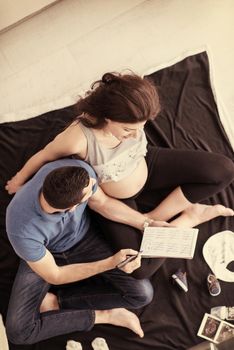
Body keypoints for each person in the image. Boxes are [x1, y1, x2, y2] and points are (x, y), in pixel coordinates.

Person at [5, 72, 234, 278]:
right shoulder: (78, 139)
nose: (135, 136)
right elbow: (44, 155)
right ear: (107, 118)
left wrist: (149, 221)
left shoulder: (131, 125)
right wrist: (19, 179)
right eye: (127, 130)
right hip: (117, 198)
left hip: (147, 165)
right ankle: (190, 218)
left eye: (141, 127)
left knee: (224, 170)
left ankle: (157, 215)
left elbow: (135, 129)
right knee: (140, 268)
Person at [5, 158, 155, 345]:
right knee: (19, 332)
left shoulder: (78, 174)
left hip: (85, 239)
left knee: (142, 294)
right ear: (72, 207)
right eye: (89, 191)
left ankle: (57, 302)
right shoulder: (21, 227)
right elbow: (56, 275)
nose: (94, 183)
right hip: (44, 255)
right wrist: (111, 263)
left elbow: (103, 203)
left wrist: (146, 223)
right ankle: (105, 315)